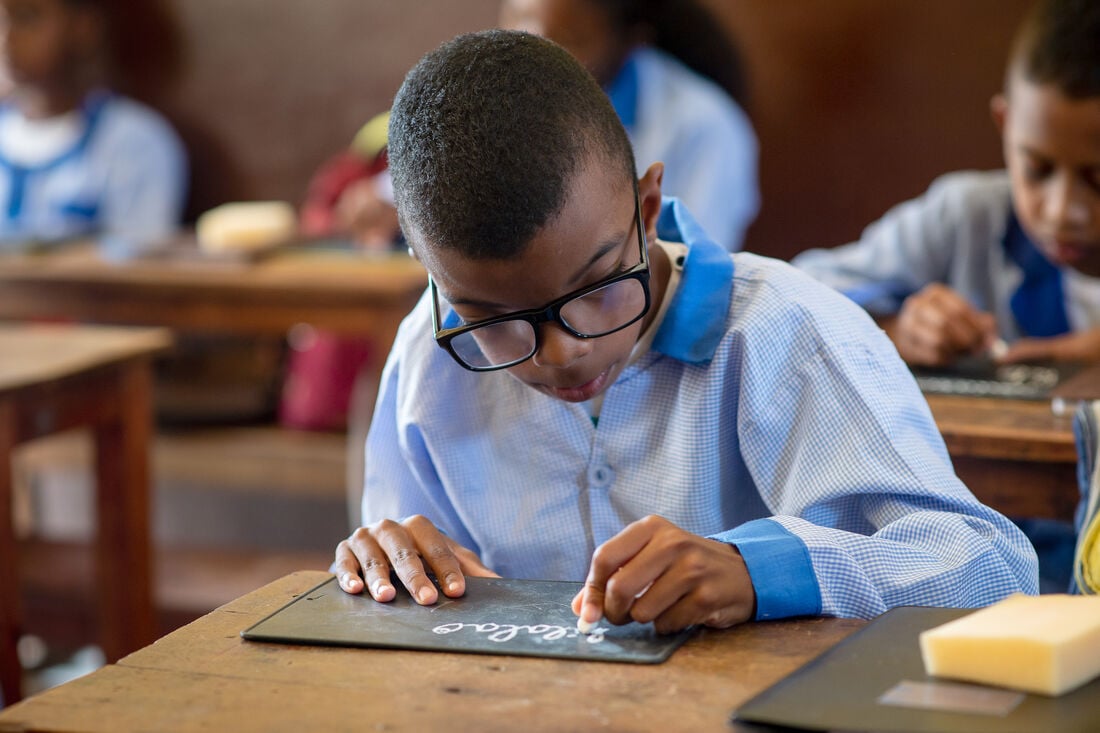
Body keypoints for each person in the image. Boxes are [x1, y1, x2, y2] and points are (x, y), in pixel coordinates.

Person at [331, 30, 1036, 633]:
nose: (562, 351)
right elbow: (414, 590)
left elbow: (993, 567)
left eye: (595, 285)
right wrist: (389, 565)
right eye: (495, 321)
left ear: (646, 206)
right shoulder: (428, 362)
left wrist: (763, 571)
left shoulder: (784, 335)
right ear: (433, 277)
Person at [792, 0, 1100, 369]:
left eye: (1096, 177)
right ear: (1005, 124)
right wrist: (895, 331)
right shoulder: (969, 218)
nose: (1063, 212)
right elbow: (796, 294)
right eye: (1037, 169)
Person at [499, 0, 758, 252]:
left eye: (568, 38)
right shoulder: (492, 102)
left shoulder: (705, 129)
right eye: (520, 18)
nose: (530, 52)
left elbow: (690, 270)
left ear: (630, 41)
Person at [0, 0, 187, 256]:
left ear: (83, 26)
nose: (6, 37)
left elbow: (138, 266)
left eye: (27, 17)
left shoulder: (133, 141)